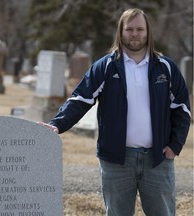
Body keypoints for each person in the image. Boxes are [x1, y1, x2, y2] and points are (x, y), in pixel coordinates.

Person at [40, 8, 191, 216]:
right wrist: (57, 123)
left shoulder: (165, 67)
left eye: (140, 29)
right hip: (116, 160)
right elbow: (81, 99)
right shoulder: (105, 67)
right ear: (121, 32)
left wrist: (175, 145)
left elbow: (182, 108)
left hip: (157, 160)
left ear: (148, 33)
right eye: (129, 29)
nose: (135, 34)